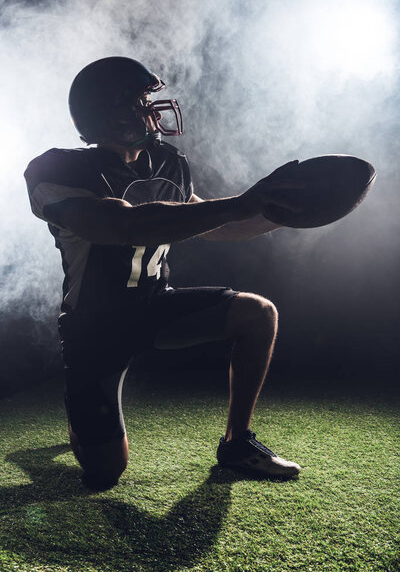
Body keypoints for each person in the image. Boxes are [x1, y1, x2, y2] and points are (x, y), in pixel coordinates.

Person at [24, 56, 301, 490]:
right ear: (109, 112)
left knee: (257, 313)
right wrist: (239, 202)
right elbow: (121, 226)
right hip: (95, 326)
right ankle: (83, 426)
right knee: (104, 472)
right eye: (139, 102)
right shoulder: (56, 169)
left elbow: (221, 225)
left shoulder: (169, 162)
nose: (152, 110)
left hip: (153, 305)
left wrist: (281, 213)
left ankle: (237, 443)